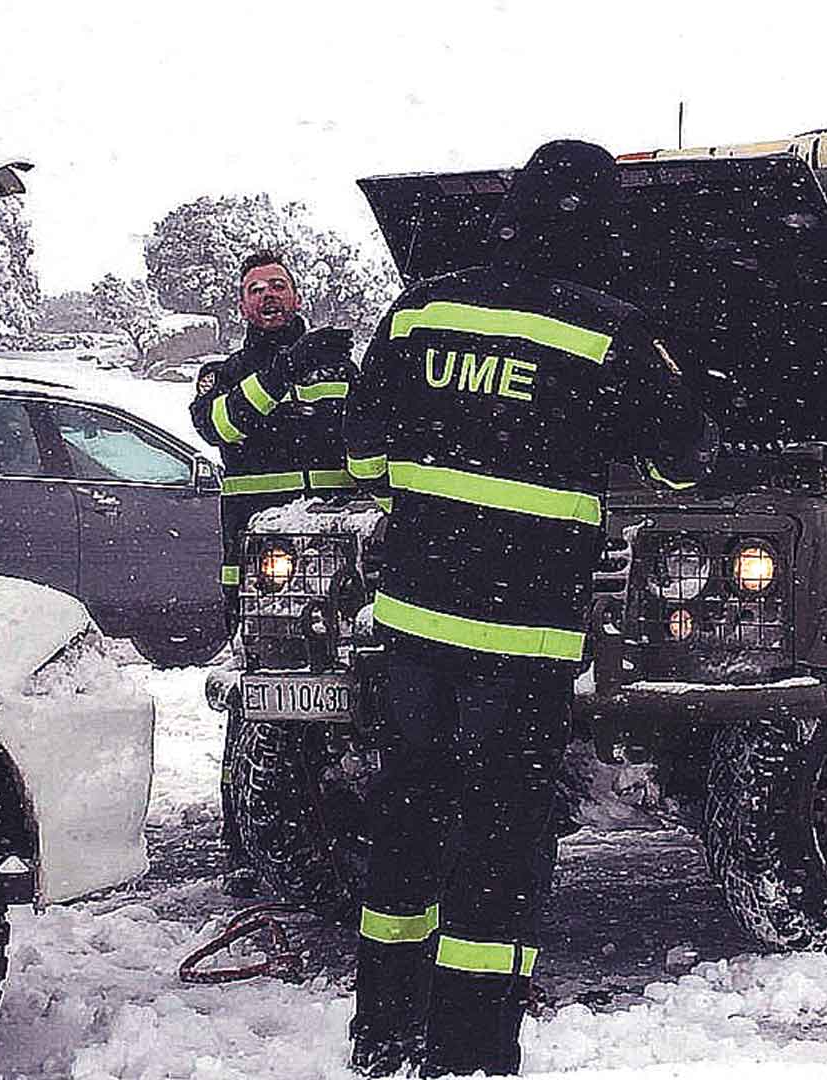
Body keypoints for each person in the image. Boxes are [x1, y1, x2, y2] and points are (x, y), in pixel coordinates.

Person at [342, 140, 717, 1076]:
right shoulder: (608, 331)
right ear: (599, 223)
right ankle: (470, 1052)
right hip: (521, 634)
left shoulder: (421, 308)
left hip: (415, 624)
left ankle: (385, 1034)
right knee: (501, 840)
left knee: (407, 819)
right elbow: (682, 461)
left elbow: (360, 459)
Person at [188, 251, 355, 892]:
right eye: (255, 289)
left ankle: (334, 821)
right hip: (262, 574)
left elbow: (368, 435)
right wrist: (284, 372)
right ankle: (244, 837)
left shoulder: (337, 367)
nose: (268, 297)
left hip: (344, 567)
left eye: (278, 285)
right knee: (255, 701)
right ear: (241, 305)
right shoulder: (223, 375)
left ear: (295, 294)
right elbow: (220, 424)